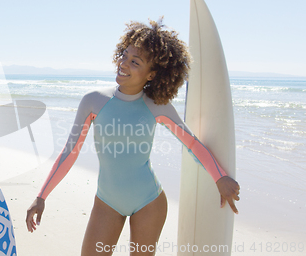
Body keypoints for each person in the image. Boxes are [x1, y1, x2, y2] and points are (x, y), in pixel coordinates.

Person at [26, 19, 240, 256]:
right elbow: (70, 151)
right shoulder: (94, 101)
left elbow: (191, 143)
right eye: (124, 56)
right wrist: (41, 196)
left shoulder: (157, 106)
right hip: (107, 202)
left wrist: (219, 177)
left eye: (134, 62)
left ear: (152, 74)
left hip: (149, 202)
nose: (123, 64)